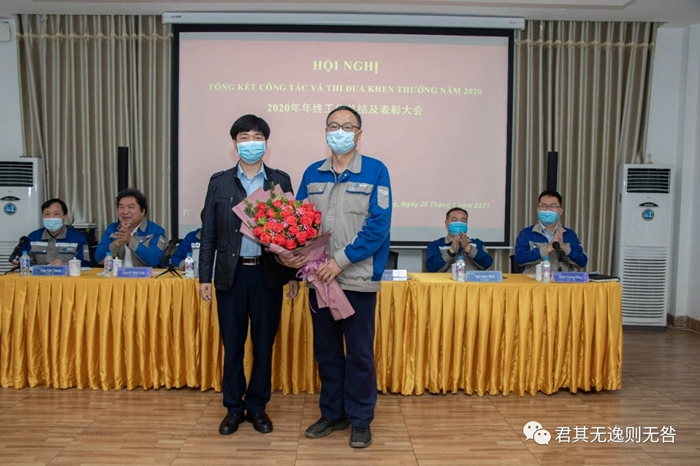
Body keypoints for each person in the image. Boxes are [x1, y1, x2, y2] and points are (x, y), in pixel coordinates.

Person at [282, 105, 392, 449]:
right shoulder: (312, 172)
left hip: (356, 278)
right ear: (326, 131)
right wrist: (292, 253)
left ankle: (360, 419)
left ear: (359, 134)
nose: (339, 131)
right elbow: (299, 222)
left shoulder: (375, 170)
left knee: (359, 353)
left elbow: (378, 226)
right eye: (333, 126)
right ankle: (333, 413)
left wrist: (340, 261)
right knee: (327, 351)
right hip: (319, 279)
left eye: (347, 126)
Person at [198, 114, 299, 437]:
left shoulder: (279, 181)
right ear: (235, 142)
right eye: (244, 137)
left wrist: (293, 275)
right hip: (231, 275)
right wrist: (204, 277)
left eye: (257, 137)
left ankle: (257, 406)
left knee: (263, 345)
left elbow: (293, 233)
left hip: (267, 276)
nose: (251, 143)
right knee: (233, 345)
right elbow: (208, 233)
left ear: (266, 143)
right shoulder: (219, 183)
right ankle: (233, 407)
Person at [514, 190, 588, 274]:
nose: (548, 209)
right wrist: (547, 249)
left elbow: (582, 262)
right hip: (534, 281)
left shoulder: (569, 235)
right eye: (544, 206)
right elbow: (519, 259)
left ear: (560, 211)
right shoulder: (526, 233)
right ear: (538, 210)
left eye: (553, 206)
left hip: (562, 281)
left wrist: (564, 247)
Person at [94, 188, 166, 267]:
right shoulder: (112, 229)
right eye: (121, 207)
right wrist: (117, 244)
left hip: (142, 275)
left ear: (143, 211)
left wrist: (130, 240)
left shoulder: (156, 230)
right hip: (116, 274)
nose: (125, 212)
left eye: (131, 207)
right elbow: (98, 259)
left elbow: (155, 260)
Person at [425, 207, 493, 272]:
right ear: (446, 224)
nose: (459, 224)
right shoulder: (436, 245)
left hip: (471, 280)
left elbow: (487, 263)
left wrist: (468, 248)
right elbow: (431, 269)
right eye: (455, 220)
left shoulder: (477, 244)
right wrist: (451, 251)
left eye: (463, 221)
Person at [26, 198, 91, 267]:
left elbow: (85, 265)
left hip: (67, 274)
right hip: (39, 274)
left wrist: (64, 265)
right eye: (47, 214)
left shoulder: (78, 238)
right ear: (42, 216)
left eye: (56, 214)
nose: (51, 217)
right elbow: (25, 263)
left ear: (64, 217)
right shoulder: (33, 237)